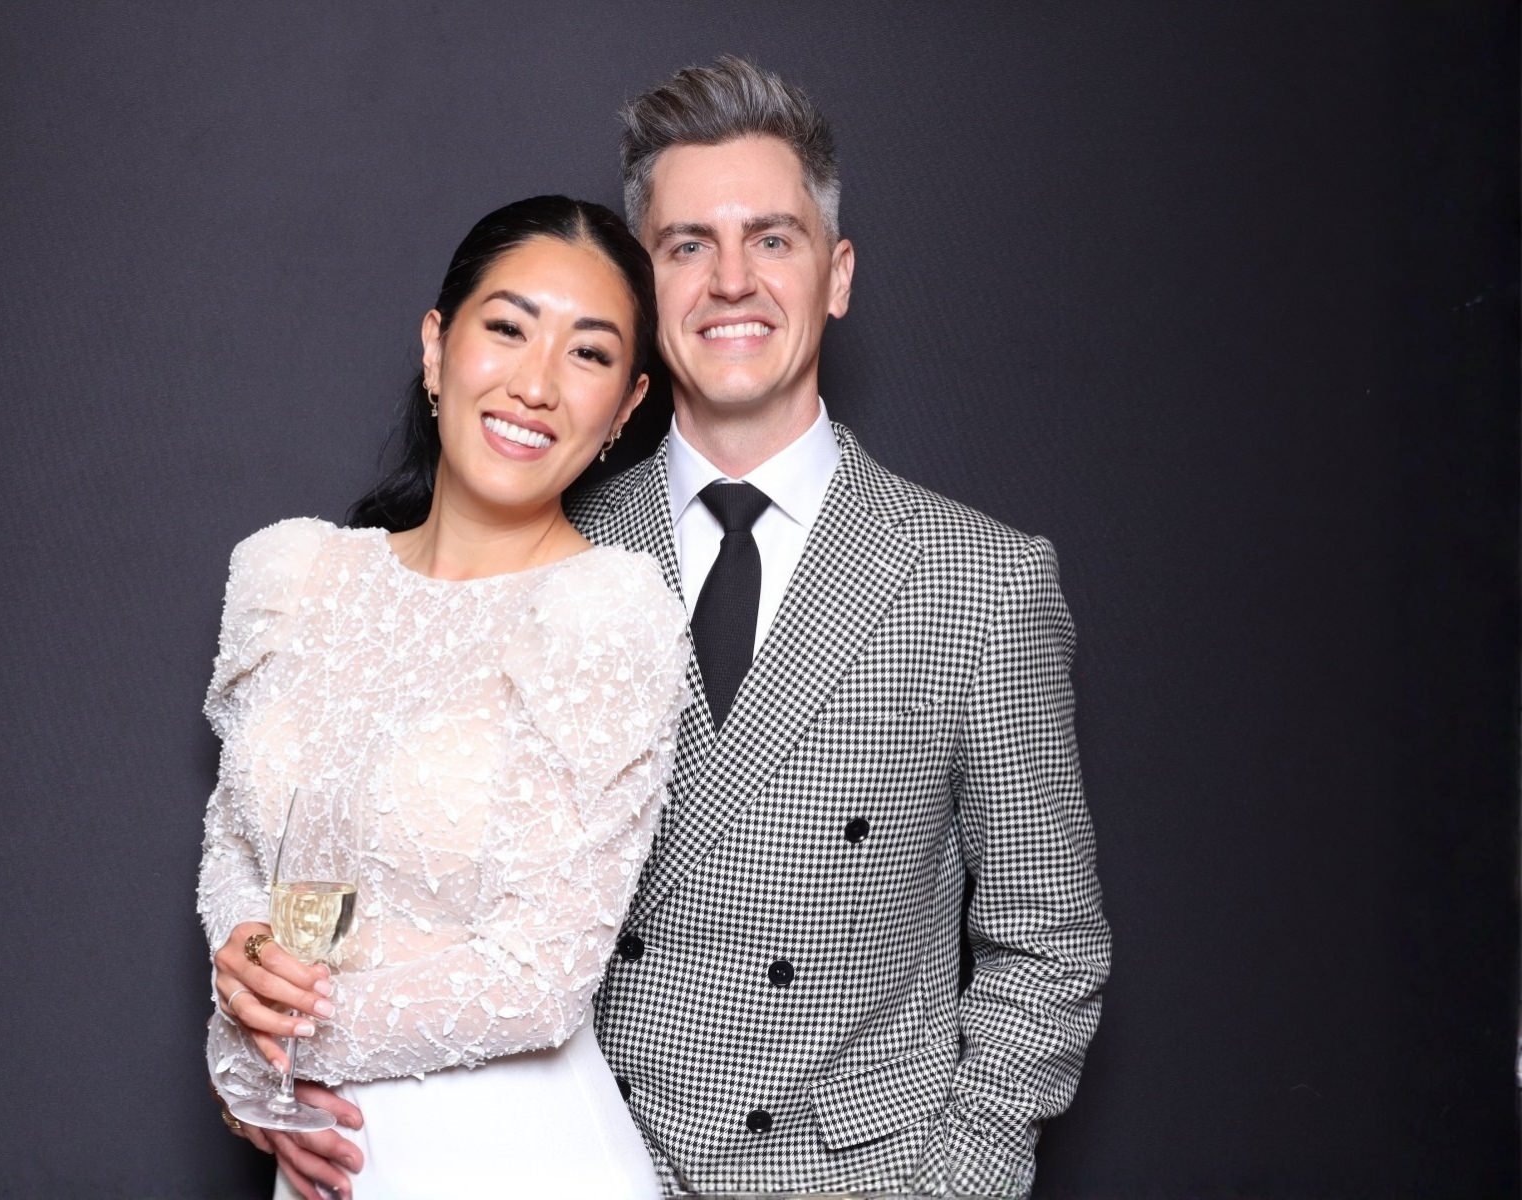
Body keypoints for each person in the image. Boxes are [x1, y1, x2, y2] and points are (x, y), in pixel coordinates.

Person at [273, 56, 1111, 1200]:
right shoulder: (548, 549)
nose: (731, 281)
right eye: (686, 246)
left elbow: (1045, 947)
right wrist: (270, 1005)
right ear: (645, 281)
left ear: (838, 275)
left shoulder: (977, 582)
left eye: (773, 239)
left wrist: (958, 1183)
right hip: (564, 1162)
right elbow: (365, 833)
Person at [197, 195, 689, 1199]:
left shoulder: (604, 614)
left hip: (515, 1158)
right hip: (329, 1160)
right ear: (437, 345)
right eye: (507, 328)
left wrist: (271, 1045)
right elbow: (255, 858)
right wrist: (246, 977)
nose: (536, 383)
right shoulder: (294, 578)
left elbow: (541, 977)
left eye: (587, 355)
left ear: (626, 408)